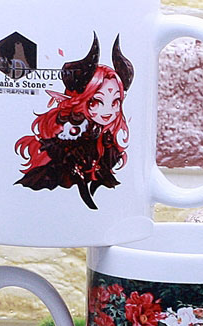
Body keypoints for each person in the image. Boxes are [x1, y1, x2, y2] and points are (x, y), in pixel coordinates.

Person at [15, 33, 133, 211]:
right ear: (81, 101)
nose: (108, 111)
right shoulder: (67, 139)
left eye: (115, 102)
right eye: (97, 102)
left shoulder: (106, 143)